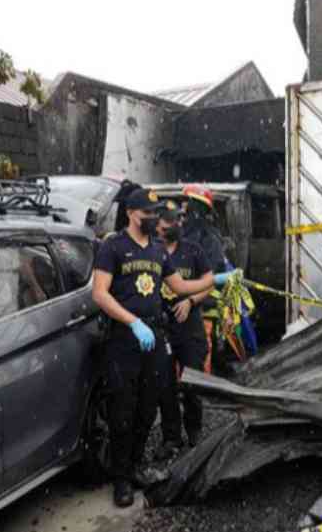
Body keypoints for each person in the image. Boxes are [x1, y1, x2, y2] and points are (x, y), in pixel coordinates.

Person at [92, 187, 236, 508]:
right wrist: (132, 322)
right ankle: (121, 480)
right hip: (125, 337)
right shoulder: (113, 247)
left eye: (156, 215)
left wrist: (216, 281)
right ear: (131, 214)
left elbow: (181, 286)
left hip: (155, 336)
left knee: (148, 406)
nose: (154, 220)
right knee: (123, 409)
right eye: (148, 215)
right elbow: (100, 294)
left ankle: (134, 466)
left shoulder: (158, 251)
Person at [154, 201, 213, 460]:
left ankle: (194, 431)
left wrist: (190, 301)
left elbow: (209, 284)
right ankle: (171, 438)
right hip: (162, 330)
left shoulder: (194, 250)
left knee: (192, 382)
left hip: (190, 329)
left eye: (176, 220)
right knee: (165, 386)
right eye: (168, 221)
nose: (173, 225)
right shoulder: (152, 252)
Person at [180, 185, 228, 373]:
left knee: (199, 355)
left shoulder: (208, 239)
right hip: (184, 307)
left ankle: (199, 391)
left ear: (195, 207)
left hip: (203, 309)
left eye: (186, 204)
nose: (182, 208)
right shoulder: (185, 233)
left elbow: (213, 274)